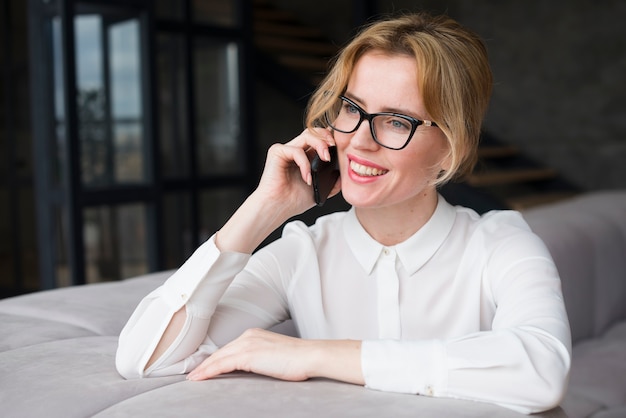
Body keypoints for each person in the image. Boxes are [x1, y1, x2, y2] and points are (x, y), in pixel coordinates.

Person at [116, 12, 571, 414]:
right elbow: (145, 359)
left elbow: (542, 370)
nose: (359, 140)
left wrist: (317, 355)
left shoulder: (500, 244)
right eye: (351, 108)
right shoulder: (303, 252)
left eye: (396, 120)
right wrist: (262, 209)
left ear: (450, 148)